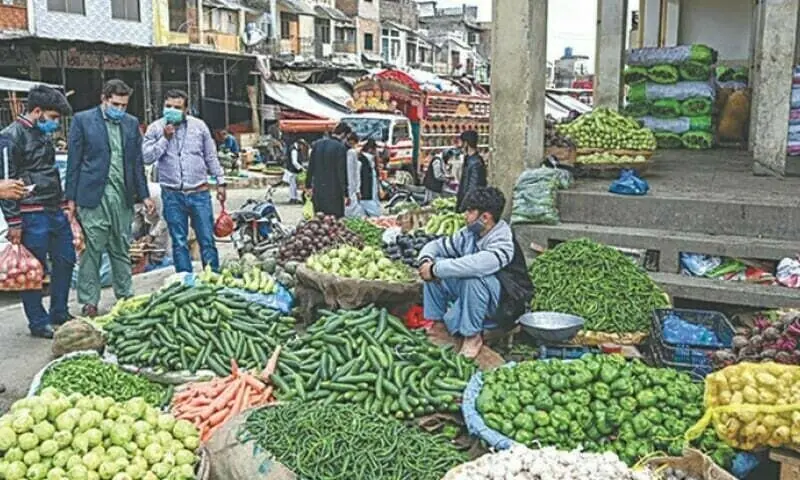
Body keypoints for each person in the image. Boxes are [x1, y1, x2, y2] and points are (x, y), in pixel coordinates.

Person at [66, 79, 153, 318]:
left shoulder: (131, 124)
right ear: (104, 99)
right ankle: (89, 301)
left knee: (121, 247)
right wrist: (70, 200)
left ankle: (125, 295)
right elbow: (74, 162)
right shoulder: (83, 121)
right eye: (115, 104)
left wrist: (144, 195)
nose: (120, 109)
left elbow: (136, 164)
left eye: (124, 105)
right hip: (93, 197)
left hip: (122, 197)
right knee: (92, 249)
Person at [417, 187, 532, 358]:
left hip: (506, 302)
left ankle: (472, 336)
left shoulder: (503, 241)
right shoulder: (469, 234)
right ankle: (438, 324)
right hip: (480, 297)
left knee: (473, 277)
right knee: (437, 264)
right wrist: (427, 260)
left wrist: (435, 270)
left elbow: (478, 265)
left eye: (470, 212)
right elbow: (438, 245)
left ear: (485, 217)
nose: (465, 216)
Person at [0, 85, 74, 338]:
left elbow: (51, 172)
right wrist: (14, 222)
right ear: (37, 111)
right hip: (31, 214)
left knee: (66, 259)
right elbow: (7, 183)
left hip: (53, 208)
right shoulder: (11, 137)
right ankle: (38, 321)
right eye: (53, 118)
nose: (55, 124)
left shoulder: (43, 135)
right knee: (33, 269)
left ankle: (59, 311)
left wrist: (65, 206)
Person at [142, 89, 226, 273]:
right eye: (168, 106)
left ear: (186, 109)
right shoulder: (156, 128)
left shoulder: (200, 127)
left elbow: (210, 156)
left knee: (206, 239)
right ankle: (185, 280)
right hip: (172, 195)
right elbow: (146, 157)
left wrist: (221, 182)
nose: (172, 110)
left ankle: (213, 278)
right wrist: (165, 138)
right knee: (178, 241)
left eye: (177, 107)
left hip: (199, 192)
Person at [305, 122, 350, 218]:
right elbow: (341, 172)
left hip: (318, 189)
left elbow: (311, 167)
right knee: (334, 222)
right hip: (334, 191)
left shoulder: (317, 145)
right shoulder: (340, 148)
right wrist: (345, 193)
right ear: (343, 134)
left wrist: (308, 185)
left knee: (319, 219)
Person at [132, 183, 169, 264]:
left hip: (167, 220)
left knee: (164, 246)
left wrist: (152, 235)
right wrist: (135, 239)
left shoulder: (157, 194)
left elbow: (165, 219)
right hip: (152, 221)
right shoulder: (132, 198)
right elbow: (137, 221)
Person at [455, 130, 487, 213]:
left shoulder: (476, 163)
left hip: (469, 206)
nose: (460, 146)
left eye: (461, 143)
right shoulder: (469, 159)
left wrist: (464, 206)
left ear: (466, 143)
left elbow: (473, 187)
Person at [356, 139, 382, 217]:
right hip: (366, 193)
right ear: (371, 149)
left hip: (368, 193)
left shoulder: (366, 159)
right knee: (375, 214)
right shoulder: (365, 160)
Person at [344, 132, 364, 218]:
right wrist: (358, 189)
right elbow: (356, 172)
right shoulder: (352, 153)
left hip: (347, 184)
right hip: (351, 184)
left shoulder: (344, 151)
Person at [284, 139, 307, 204]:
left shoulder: (295, 149)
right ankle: (293, 198)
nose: (302, 148)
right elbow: (294, 162)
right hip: (292, 170)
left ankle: (295, 197)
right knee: (292, 185)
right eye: (302, 146)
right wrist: (301, 168)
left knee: (294, 185)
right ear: (300, 144)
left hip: (293, 170)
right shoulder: (294, 150)